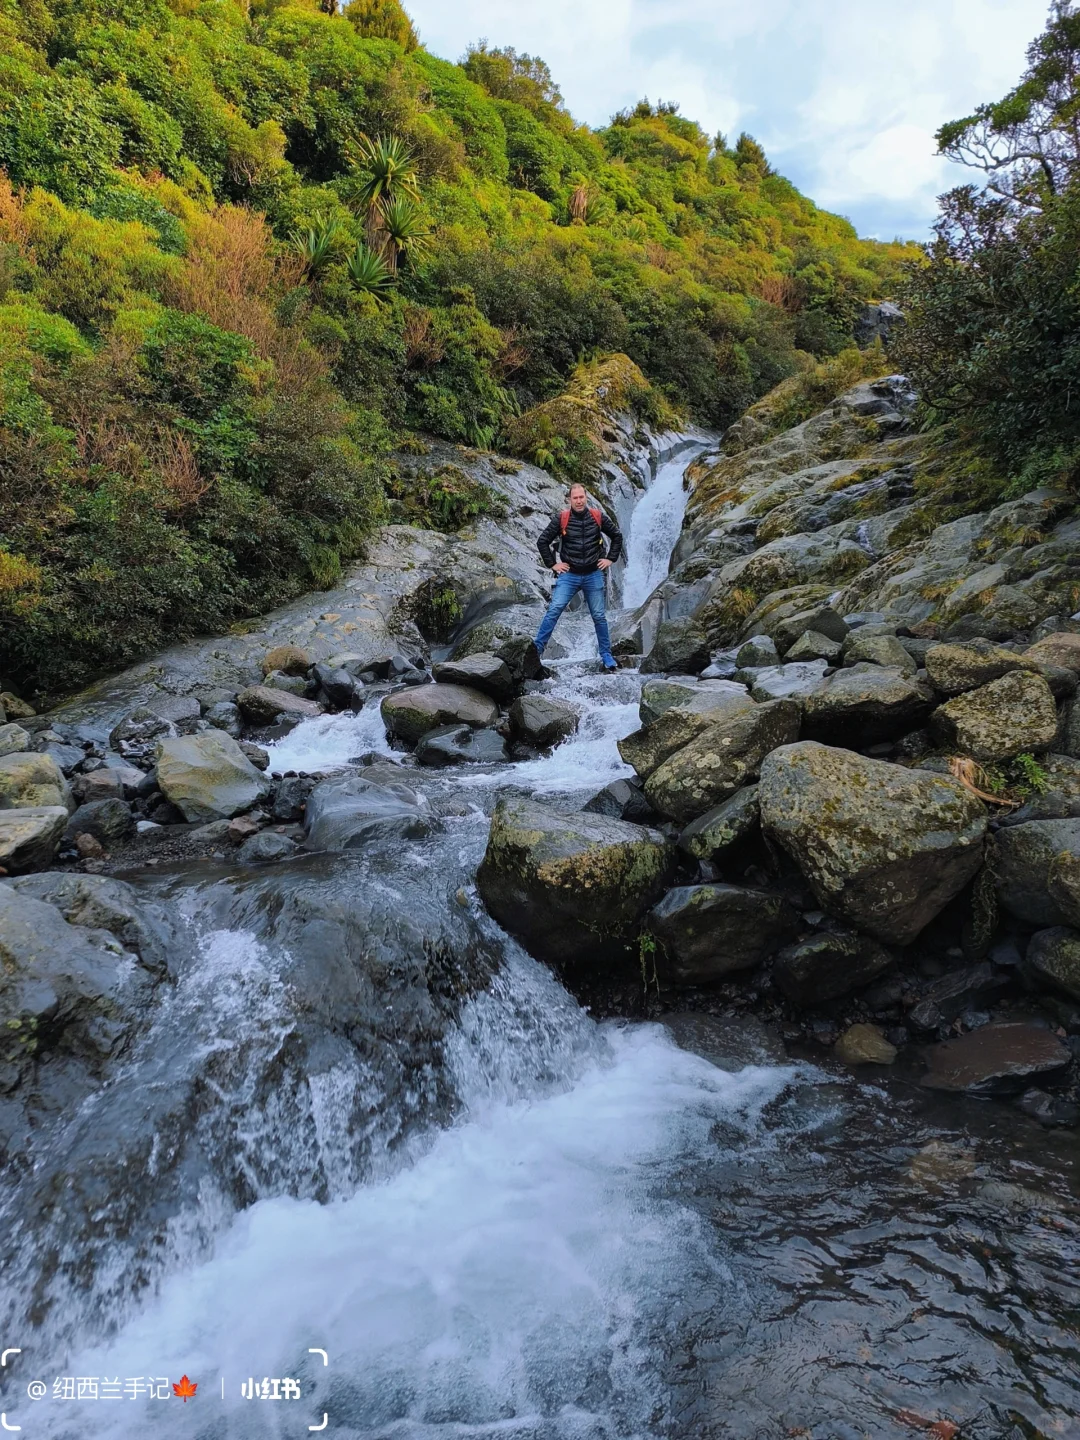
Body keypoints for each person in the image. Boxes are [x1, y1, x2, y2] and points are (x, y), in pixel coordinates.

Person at [534, 482, 623, 672]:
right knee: (555, 609)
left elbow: (617, 536)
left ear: (586, 497)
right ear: (569, 500)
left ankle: (606, 655)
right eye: (575, 498)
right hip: (570, 575)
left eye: (581, 497)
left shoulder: (598, 517)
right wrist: (553, 564)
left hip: (593, 574)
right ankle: (536, 651)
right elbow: (542, 541)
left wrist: (610, 559)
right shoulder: (562, 518)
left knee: (599, 616)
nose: (579, 501)